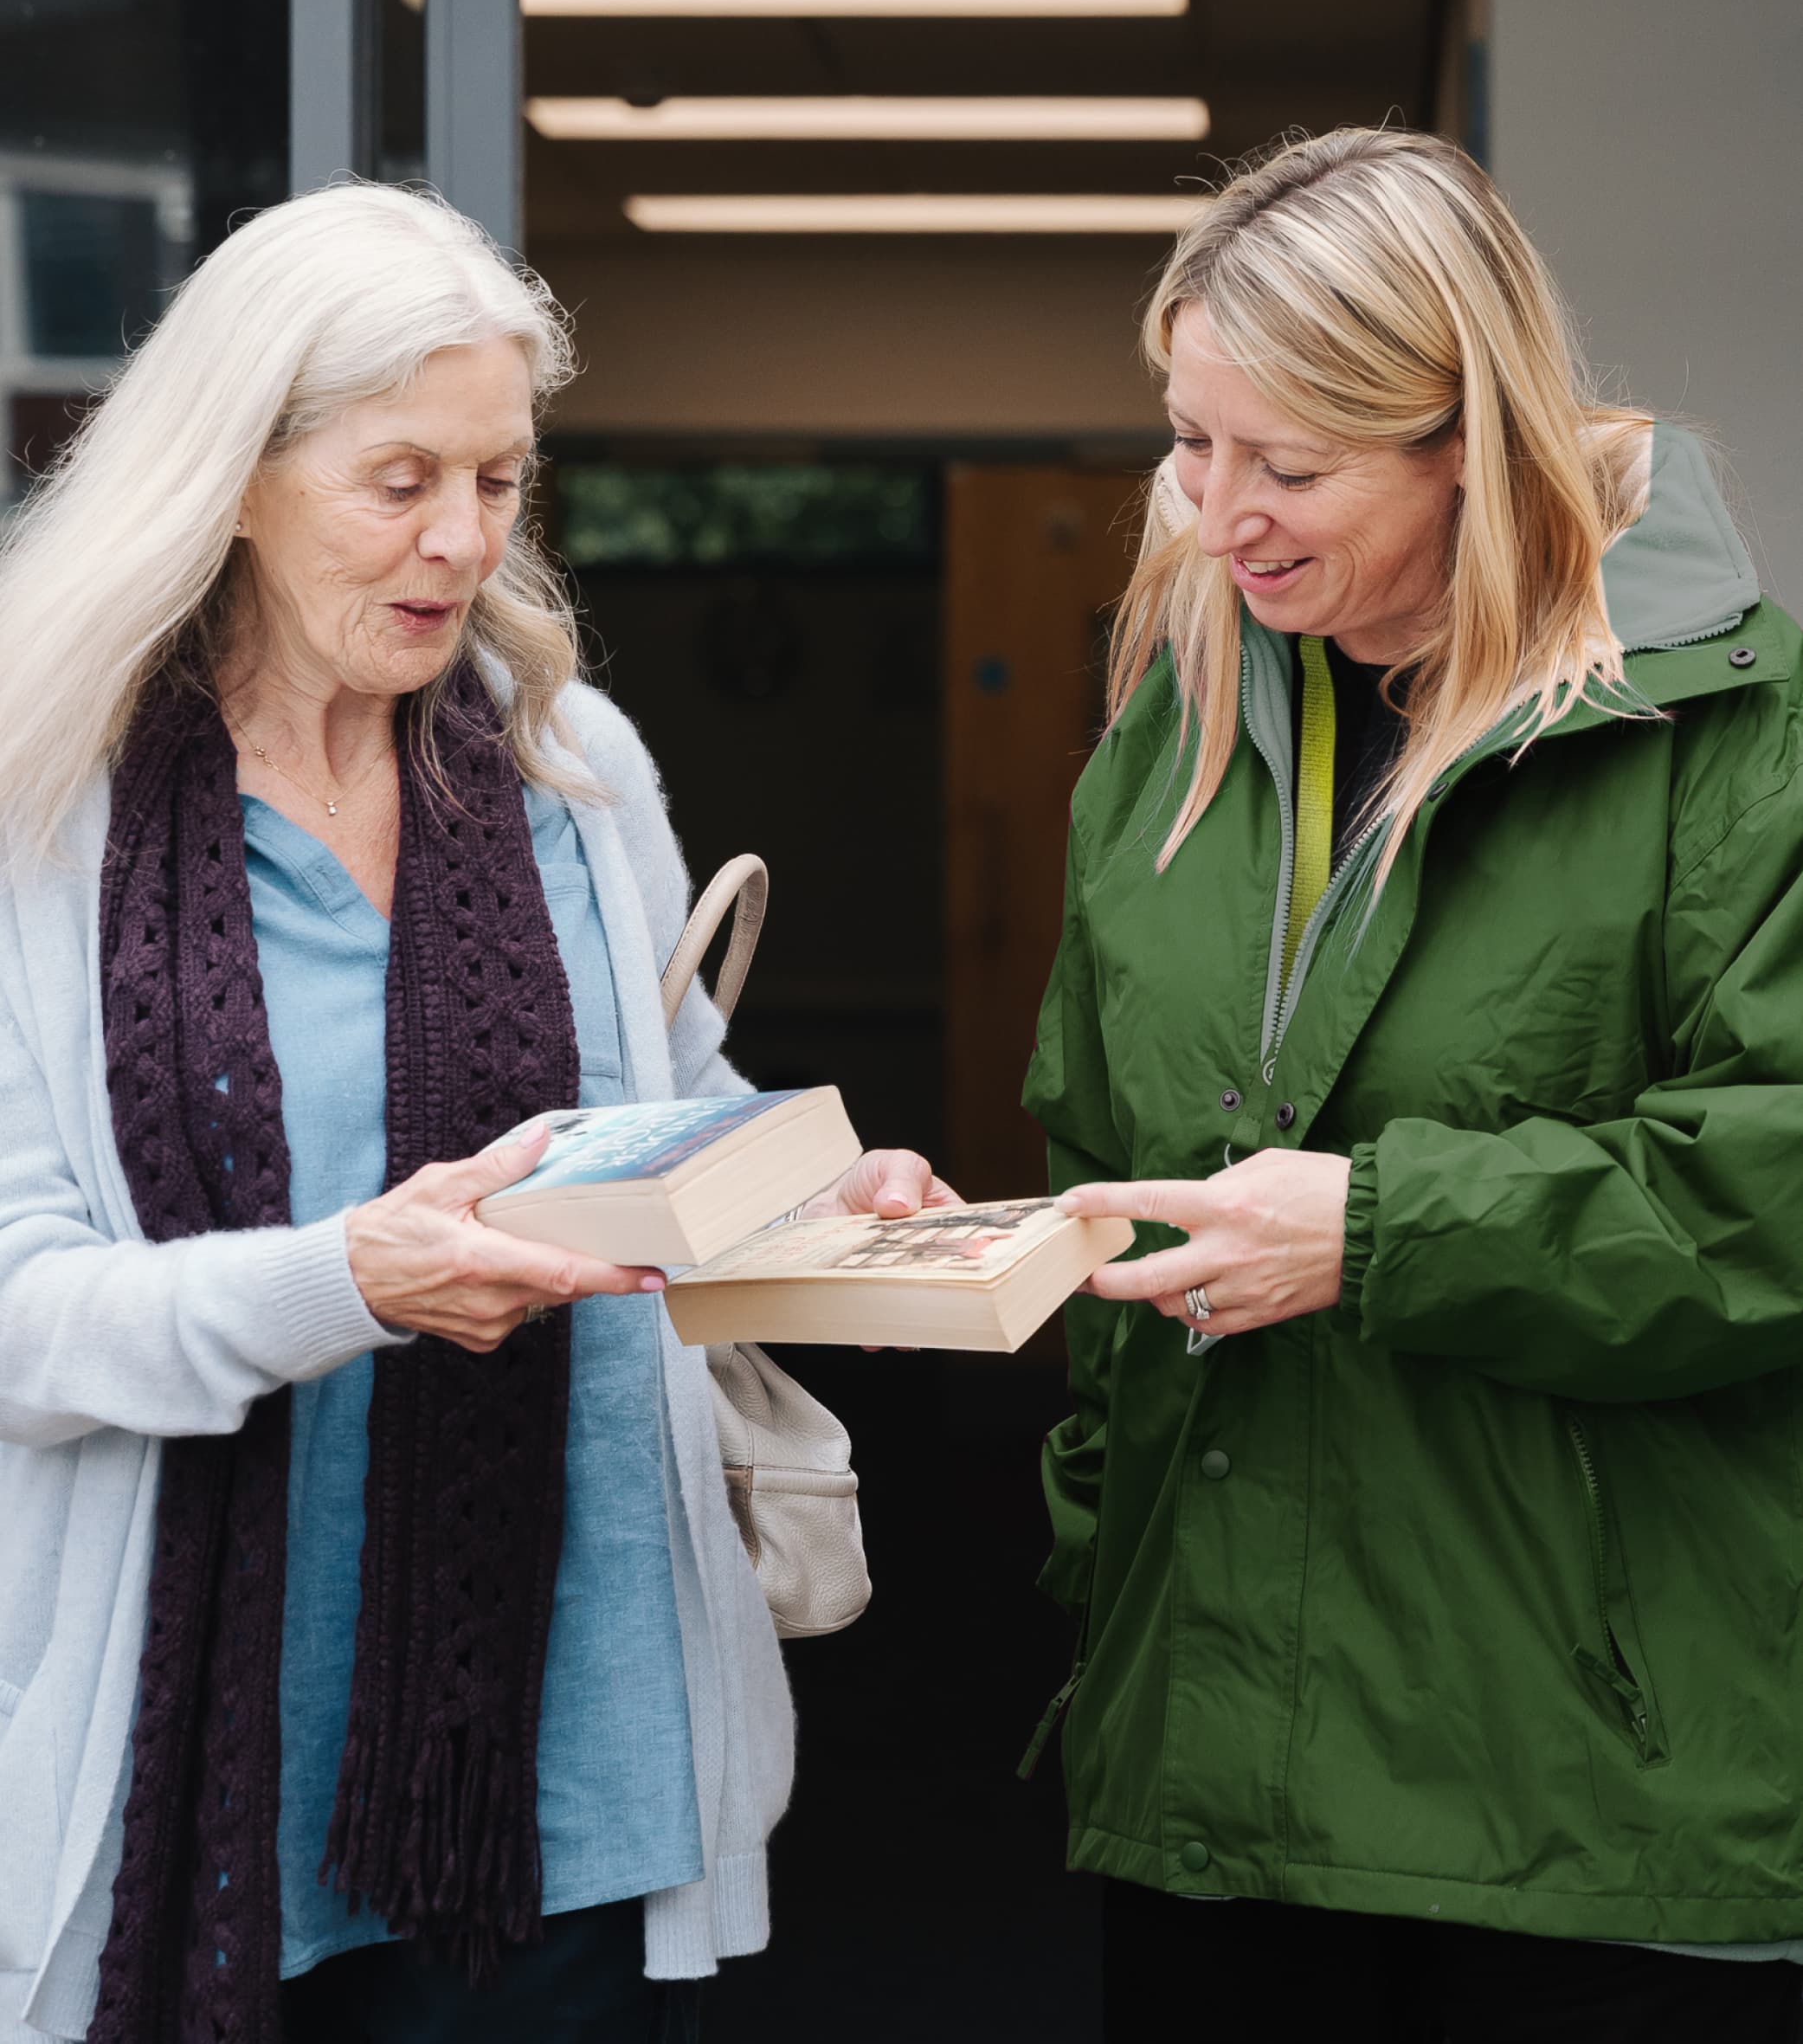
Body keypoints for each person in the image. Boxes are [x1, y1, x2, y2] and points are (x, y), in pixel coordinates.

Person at [0, 181, 947, 2044]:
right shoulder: (48, 807)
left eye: (501, 480)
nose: (460, 540)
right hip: (190, 1740)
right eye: (400, 478)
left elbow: (664, 1116)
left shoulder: (565, 762)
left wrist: (814, 1192)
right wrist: (350, 1279)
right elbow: (21, 1314)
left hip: (566, 1737)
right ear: (238, 475)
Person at [1028, 128, 1803, 2041]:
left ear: (1468, 435)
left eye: (1287, 467)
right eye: (1190, 444)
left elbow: (1770, 1189)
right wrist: (979, 1261)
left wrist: (1378, 1232)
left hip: (1583, 1806)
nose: (1220, 516)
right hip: (1209, 1786)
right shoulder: (1175, 727)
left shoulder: (1732, 739)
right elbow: (1111, 1149)